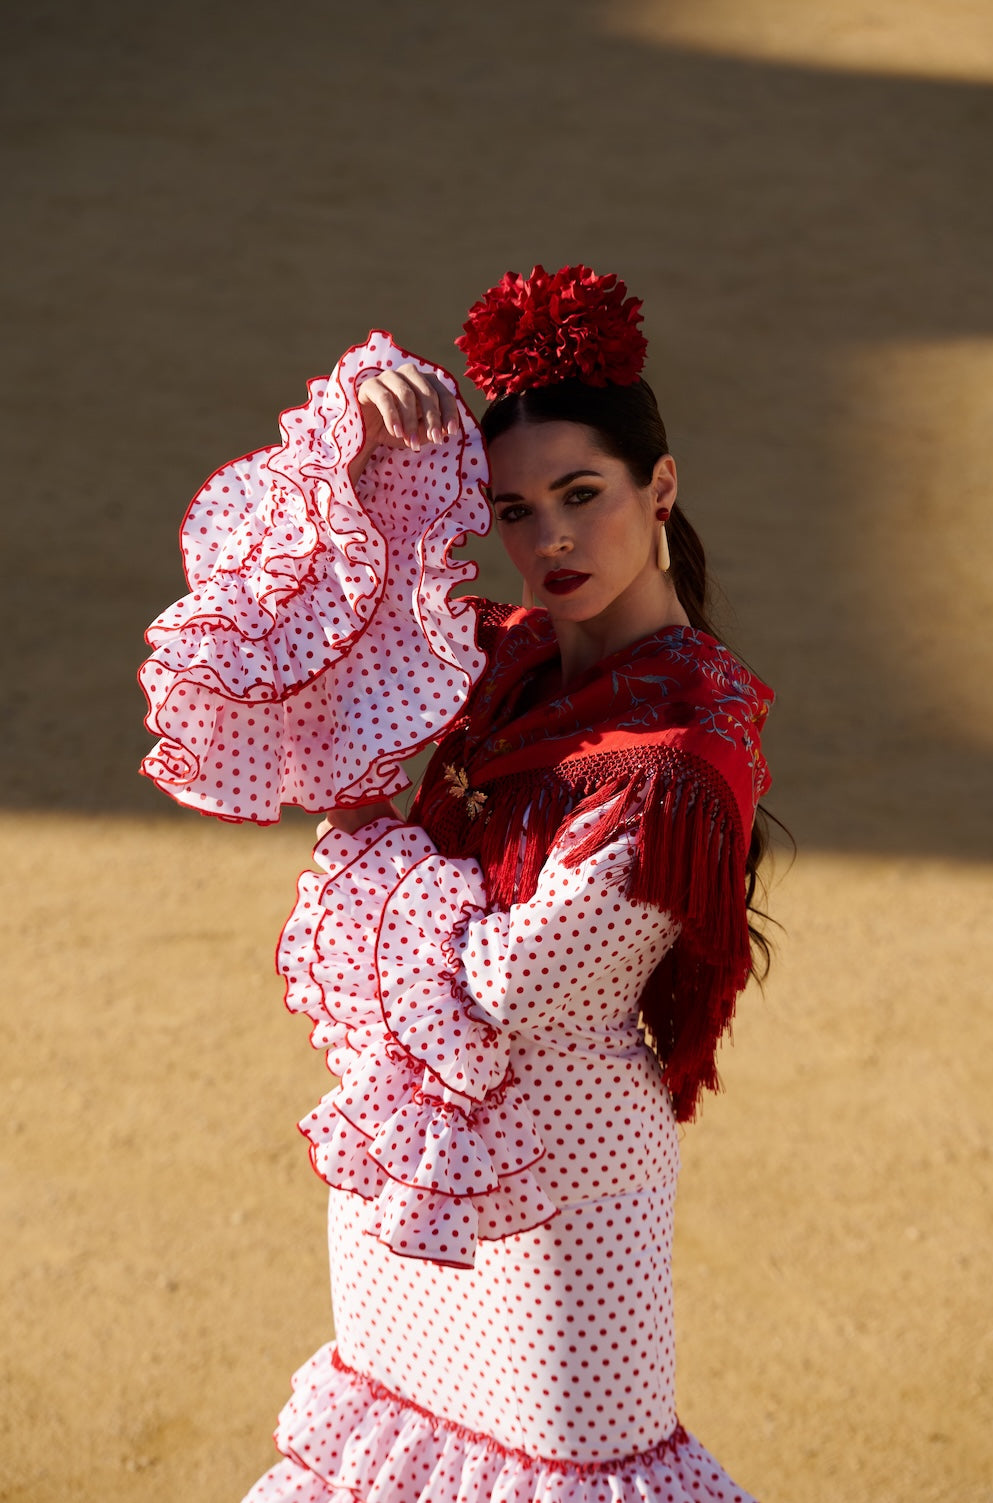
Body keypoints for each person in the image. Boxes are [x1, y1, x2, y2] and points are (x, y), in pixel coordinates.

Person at [140, 265, 773, 1501]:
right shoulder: (492, 658)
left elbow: (516, 981)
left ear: (661, 488)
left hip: (562, 1207)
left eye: (582, 495)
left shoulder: (686, 748)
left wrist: (365, 855)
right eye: (514, 509)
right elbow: (277, 691)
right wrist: (361, 450)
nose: (548, 540)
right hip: (412, 1185)